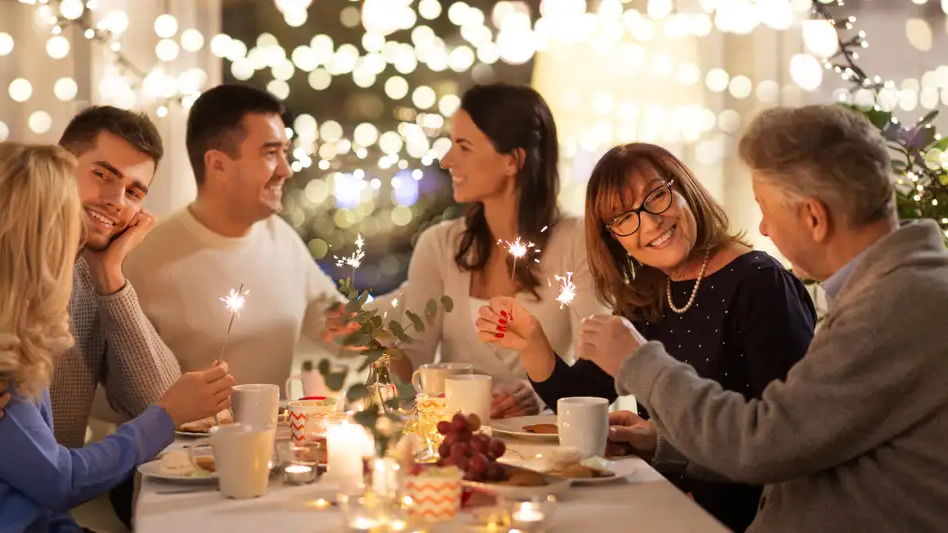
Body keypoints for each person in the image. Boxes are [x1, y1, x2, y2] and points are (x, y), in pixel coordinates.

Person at [578, 105, 948, 532]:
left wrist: (639, 363)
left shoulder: (889, 311)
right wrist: (662, 443)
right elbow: (799, 442)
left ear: (813, 218)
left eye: (766, 209)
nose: (764, 228)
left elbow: (763, 446)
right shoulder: (893, 288)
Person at [476, 143, 816, 530]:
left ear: (684, 188)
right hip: (658, 500)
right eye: (623, 218)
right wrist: (533, 342)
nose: (649, 223)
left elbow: (785, 443)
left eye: (656, 196)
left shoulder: (761, 285)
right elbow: (582, 398)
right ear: (614, 239)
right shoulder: (649, 292)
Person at [0, 142, 234, 533]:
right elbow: (60, 482)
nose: (116, 203)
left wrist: (111, 276)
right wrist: (166, 414)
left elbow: (158, 396)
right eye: (101, 175)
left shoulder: (29, 307)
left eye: (134, 191)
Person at [370, 83, 609, 419]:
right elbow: (415, 368)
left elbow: (598, 368)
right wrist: (381, 345)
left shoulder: (578, 240)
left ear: (512, 160)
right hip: (458, 441)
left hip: (545, 446)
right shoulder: (439, 245)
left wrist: (540, 391)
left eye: (463, 147)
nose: (447, 159)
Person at [124, 84, 345, 393]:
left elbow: (344, 331)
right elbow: (112, 397)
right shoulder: (143, 260)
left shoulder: (282, 240)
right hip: (176, 442)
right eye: (270, 153)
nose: (285, 170)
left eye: (285, 152)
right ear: (217, 164)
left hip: (269, 439)